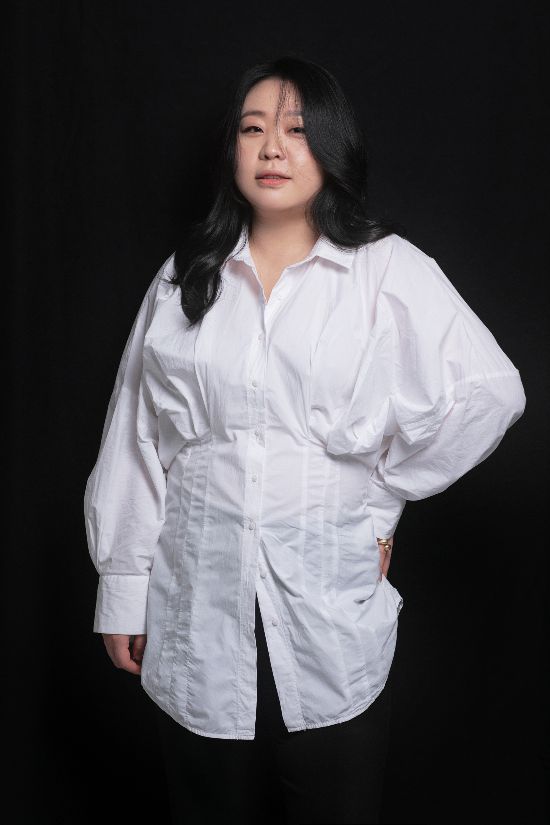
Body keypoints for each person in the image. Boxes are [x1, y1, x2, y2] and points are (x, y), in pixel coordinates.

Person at [83, 55, 526, 825]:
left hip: (330, 626)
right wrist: (123, 585)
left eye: (295, 129)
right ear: (232, 151)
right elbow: (137, 437)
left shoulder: (386, 271)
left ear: (331, 145)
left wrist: (383, 495)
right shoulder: (185, 278)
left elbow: (489, 393)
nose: (271, 148)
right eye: (252, 129)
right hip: (194, 615)